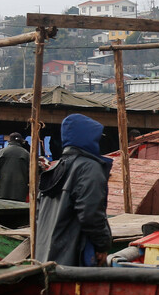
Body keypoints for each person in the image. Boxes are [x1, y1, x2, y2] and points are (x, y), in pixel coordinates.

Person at [34, 114, 113, 266]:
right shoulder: (89, 168)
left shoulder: (55, 167)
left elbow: (38, 214)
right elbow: (91, 213)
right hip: (73, 258)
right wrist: (102, 245)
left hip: (45, 257)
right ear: (89, 137)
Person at [0, 132, 31, 201]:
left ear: (9, 141)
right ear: (21, 141)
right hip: (20, 194)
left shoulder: (0, 152)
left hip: (2, 193)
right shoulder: (26, 154)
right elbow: (32, 173)